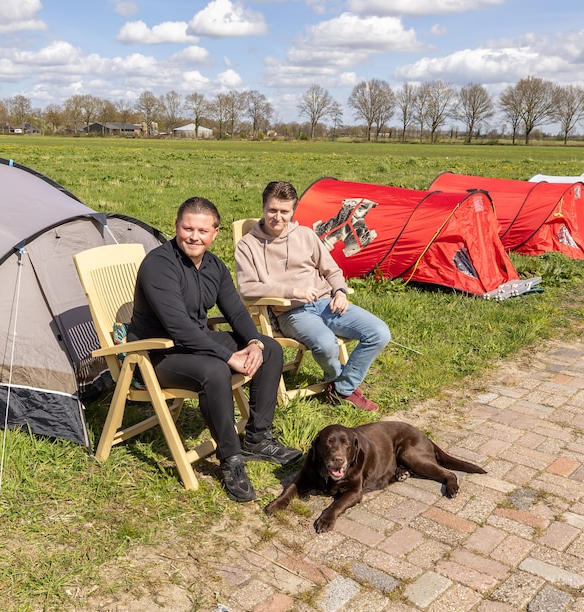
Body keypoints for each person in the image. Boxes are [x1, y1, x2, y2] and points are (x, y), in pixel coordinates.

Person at [131, 196, 301, 502]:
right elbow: (178, 327)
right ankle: (231, 459)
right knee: (215, 371)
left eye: (202, 231)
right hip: (157, 354)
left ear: (215, 233)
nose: (194, 237)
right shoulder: (159, 265)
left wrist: (254, 342)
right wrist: (228, 356)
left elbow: (235, 312)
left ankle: (258, 439)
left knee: (271, 349)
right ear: (176, 226)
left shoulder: (214, 266)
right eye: (188, 228)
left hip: (196, 343)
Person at [235, 181, 391, 412]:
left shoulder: (305, 235)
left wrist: (340, 292)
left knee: (379, 333)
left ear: (293, 209)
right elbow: (247, 288)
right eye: (272, 210)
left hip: (327, 303)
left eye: (284, 211)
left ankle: (342, 388)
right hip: (291, 312)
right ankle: (343, 387)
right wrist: (292, 292)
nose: (278, 217)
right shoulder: (248, 245)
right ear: (263, 207)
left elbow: (332, 270)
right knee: (326, 344)